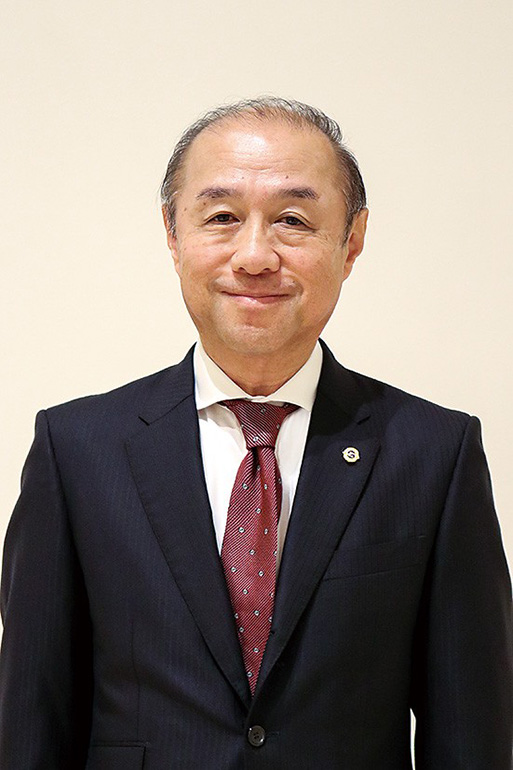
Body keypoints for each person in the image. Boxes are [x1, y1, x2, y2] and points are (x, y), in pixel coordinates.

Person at [0, 97, 511, 769]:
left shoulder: (434, 455)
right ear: (172, 233)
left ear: (351, 240)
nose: (254, 255)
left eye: (293, 220)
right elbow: (31, 720)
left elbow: (472, 733)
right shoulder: (76, 450)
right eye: (221, 217)